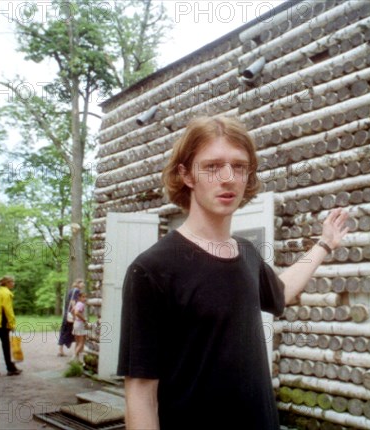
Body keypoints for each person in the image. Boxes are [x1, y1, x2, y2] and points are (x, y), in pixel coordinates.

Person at [117, 115, 349, 429]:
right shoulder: (152, 270)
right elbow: (141, 395)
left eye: (239, 167)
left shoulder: (247, 254)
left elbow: (281, 291)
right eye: (212, 167)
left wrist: (324, 244)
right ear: (187, 175)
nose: (228, 178)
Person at [57, 279, 84, 357]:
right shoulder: (76, 291)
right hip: (71, 315)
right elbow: (73, 302)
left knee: (65, 331)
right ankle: (77, 352)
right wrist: (75, 315)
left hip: (66, 314)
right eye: (82, 283)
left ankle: (60, 350)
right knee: (71, 332)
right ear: (78, 283)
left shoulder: (71, 290)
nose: (83, 284)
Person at [72, 292, 89, 361]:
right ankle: (73, 357)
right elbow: (76, 313)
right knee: (81, 342)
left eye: (85, 297)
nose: (85, 298)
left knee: (77, 342)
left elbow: (73, 311)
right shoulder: (81, 304)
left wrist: (74, 319)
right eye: (83, 297)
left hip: (76, 323)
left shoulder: (77, 304)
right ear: (79, 297)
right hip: (80, 324)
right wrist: (84, 320)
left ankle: (79, 359)